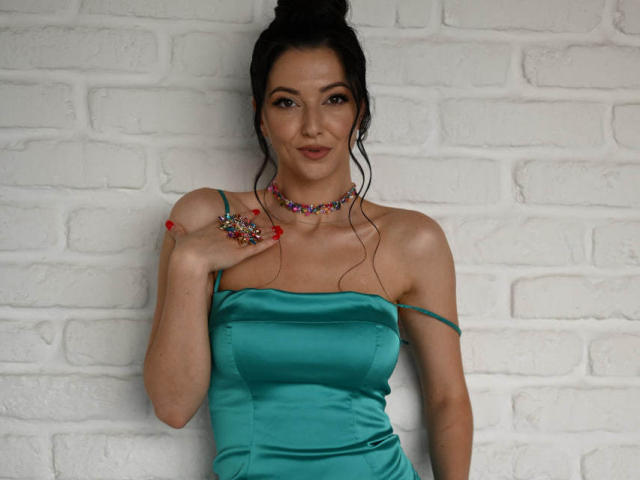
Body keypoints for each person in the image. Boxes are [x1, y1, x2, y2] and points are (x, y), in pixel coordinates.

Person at [143, 0, 473, 479]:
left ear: (360, 111)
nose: (312, 125)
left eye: (334, 99)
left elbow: (448, 399)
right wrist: (190, 261)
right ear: (260, 116)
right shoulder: (209, 219)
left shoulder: (411, 240)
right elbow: (173, 407)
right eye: (287, 102)